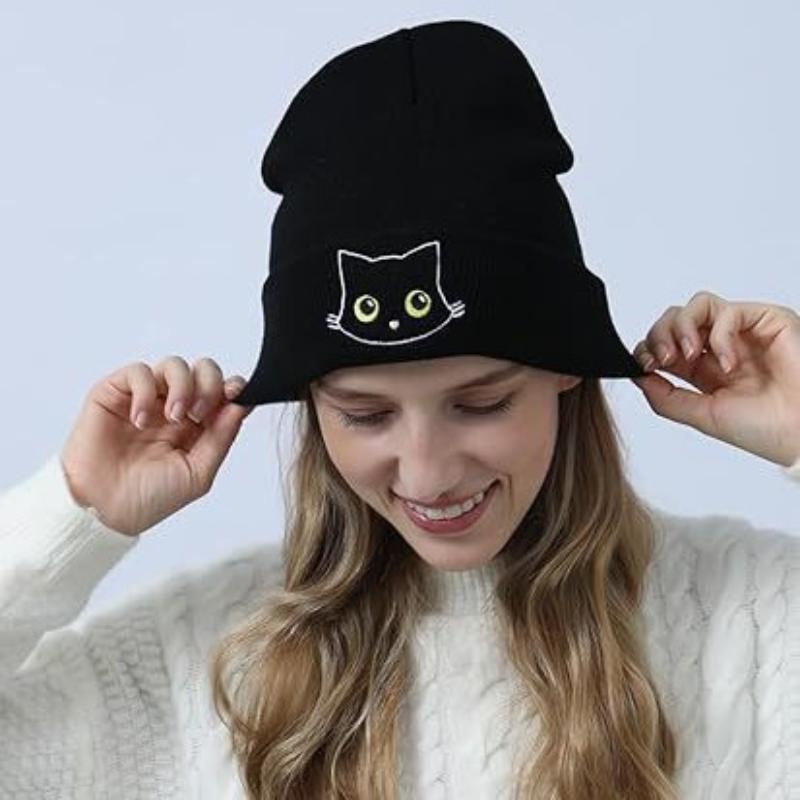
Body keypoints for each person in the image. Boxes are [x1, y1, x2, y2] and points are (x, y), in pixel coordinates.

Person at [3, 18, 800, 800]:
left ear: (566, 370)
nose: (427, 473)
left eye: (481, 403)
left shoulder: (756, 626)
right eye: (365, 414)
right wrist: (72, 516)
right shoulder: (209, 660)